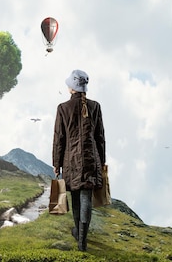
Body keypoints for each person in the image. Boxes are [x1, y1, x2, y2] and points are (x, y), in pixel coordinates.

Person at [52, 69, 105, 251]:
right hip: (92, 161)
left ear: (71, 88)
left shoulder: (62, 109)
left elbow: (59, 139)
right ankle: (82, 239)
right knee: (86, 198)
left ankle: (79, 236)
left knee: (75, 198)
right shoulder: (95, 106)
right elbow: (100, 138)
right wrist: (102, 161)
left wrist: (56, 164)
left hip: (70, 162)